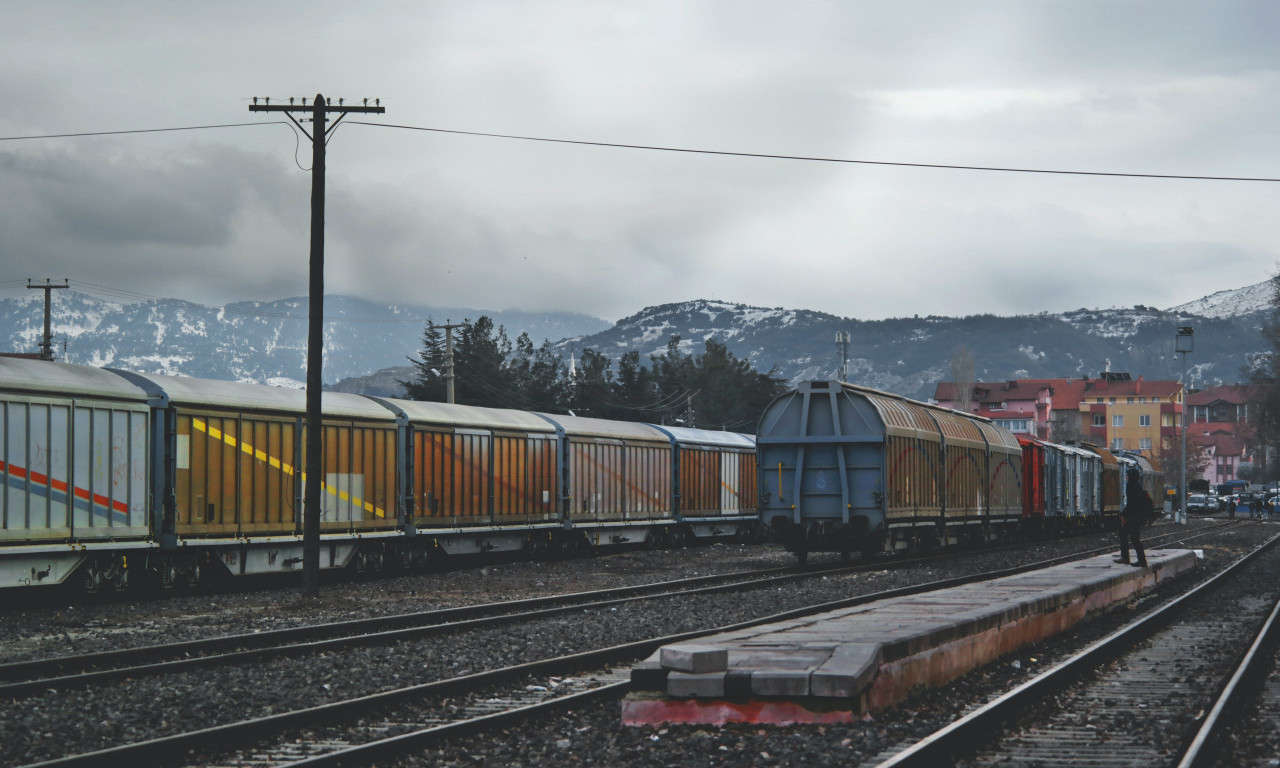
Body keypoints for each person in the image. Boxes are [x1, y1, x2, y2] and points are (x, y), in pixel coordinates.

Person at [1117, 470, 1153, 567]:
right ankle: (1140, 560)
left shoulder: (1130, 486)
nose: (1126, 478)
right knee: (1134, 538)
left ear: (1131, 476)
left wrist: (1124, 514)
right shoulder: (1137, 486)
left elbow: (1132, 503)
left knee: (1124, 534)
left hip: (1134, 517)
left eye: (1127, 476)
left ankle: (1126, 558)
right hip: (1138, 516)